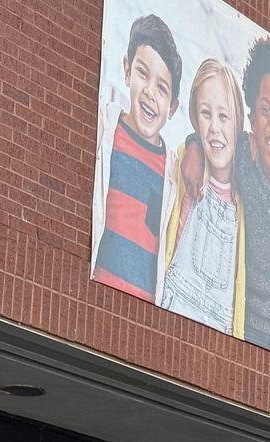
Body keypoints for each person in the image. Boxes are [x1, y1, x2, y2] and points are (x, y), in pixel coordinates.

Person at [182, 37, 270, 354]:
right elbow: (214, 139)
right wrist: (193, 147)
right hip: (240, 327)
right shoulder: (242, 152)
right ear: (253, 120)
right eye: (265, 111)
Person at [90, 14, 183, 303]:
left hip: (142, 312)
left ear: (172, 107)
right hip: (96, 293)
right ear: (127, 70)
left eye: (162, 88)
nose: (150, 93)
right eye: (142, 73)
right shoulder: (104, 130)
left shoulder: (173, 171)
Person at [159, 59, 246, 336]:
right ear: (195, 120)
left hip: (221, 333)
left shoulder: (246, 197)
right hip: (171, 311)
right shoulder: (183, 166)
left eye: (224, 116)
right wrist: (192, 145)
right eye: (206, 114)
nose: (215, 128)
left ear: (239, 122)